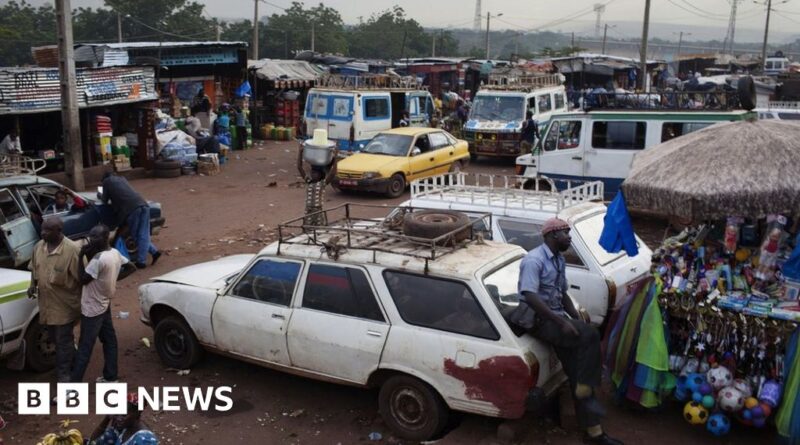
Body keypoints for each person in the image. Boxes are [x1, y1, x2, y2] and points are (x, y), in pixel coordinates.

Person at [517, 218, 623, 445]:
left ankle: (594, 433)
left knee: (577, 372)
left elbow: (562, 294)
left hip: (556, 318)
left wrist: (575, 319)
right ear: (553, 235)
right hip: (538, 320)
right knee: (591, 336)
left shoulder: (558, 260)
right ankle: (589, 383)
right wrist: (562, 323)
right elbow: (530, 295)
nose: (570, 238)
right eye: (566, 233)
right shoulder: (533, 261)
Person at [71, 224, 135, 384]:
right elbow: (131, 267)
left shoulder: (98, 259)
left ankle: (73, 387)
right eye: (91, 236)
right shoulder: (114, 253)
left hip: (92, 308)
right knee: (109, 340)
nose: (91, 240)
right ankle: (110, 376)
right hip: (104, 303)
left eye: (95, 237)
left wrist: (80, 257)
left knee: (85, 346)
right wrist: (110, 281)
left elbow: (82, 279)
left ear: (105, 237)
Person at [27, 217, 81, 383]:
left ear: (59, 231)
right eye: (42, 229)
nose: (43, 233)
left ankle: (64, 374)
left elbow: (82, 279)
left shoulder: (72, 250)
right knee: (54, 337)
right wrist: (32, 285)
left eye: (48, 230)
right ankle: (74, 360)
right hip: (46, 305)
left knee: (63, 340)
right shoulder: (38, 247)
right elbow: (34, 268)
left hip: (64, 306)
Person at [100, 172, 161, 269]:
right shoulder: (122, 178)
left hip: (131, 209)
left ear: (104, 179)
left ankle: (141, 262)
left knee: (137, 235)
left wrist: (101, 195)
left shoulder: (106, 182)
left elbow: (104, 200)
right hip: (143, 204)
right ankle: (154, 252)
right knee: (143, 234)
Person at [88, 393, 158, 445]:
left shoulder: (145, 440)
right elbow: (93, 443)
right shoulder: (121, 428)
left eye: (124, 415)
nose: (118, 418)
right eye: (117, 414)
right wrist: (107, 419)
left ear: (137, 413)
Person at [297, 145, 338, 227]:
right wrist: (300, 152)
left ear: (320, 175)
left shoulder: (322, 184)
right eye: (312, 172)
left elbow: (333, 172)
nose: (312, 174)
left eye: (315, 173)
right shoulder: (309, 182)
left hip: (318, 211)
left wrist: (335, 157)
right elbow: (300, 167)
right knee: (307, 230)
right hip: (308, 210)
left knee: (319, 230)